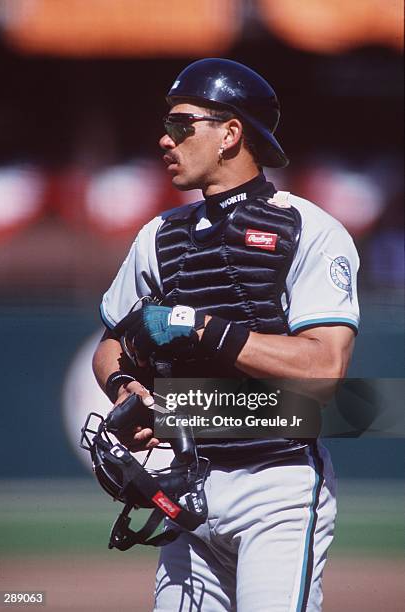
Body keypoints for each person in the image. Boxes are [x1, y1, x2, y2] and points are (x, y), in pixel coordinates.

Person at [92, 58, 360, 611]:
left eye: (181, 124)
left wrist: (206, 329)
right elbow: (111, 342)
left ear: (230, 133)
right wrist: (124, 387)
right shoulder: (158, 236)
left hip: (278, 485)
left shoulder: (309, 229)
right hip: (189, 481)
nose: (164, 139)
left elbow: (326, 369)